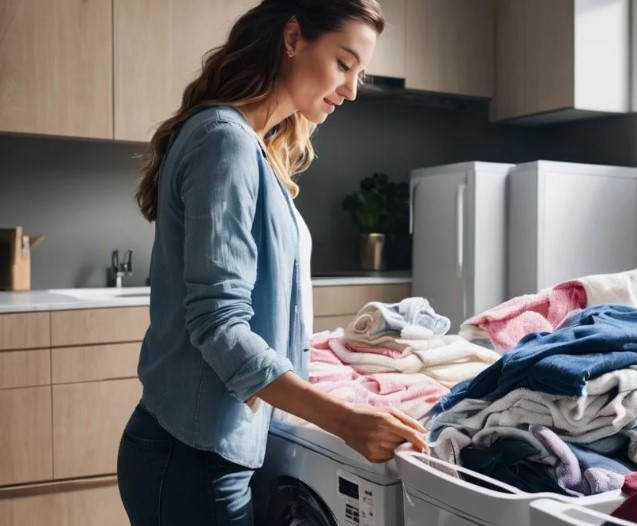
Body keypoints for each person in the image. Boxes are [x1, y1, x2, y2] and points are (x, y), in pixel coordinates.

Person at [118, 1, 427, 524]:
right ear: (291, 37)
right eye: (344, 63)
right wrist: (344, 420)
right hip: (190, 462)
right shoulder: (225, 140)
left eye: (361, 72)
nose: (352, 89)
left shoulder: (252, 147)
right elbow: (219, 325)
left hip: (206, 454)